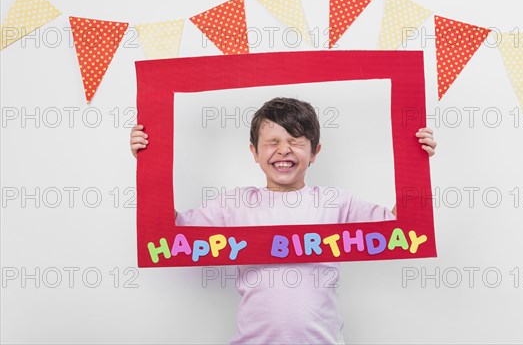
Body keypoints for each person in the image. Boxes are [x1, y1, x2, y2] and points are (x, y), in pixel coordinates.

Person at [130, 97, 436, 344]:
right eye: (272, 141)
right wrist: (150, 161)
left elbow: (403, 228)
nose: (284, 149)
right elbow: (168, 234)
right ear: (254, 152)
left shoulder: (335, 201)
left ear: (315, 152)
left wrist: (416, 161)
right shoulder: (236, 203)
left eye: (296, 140)